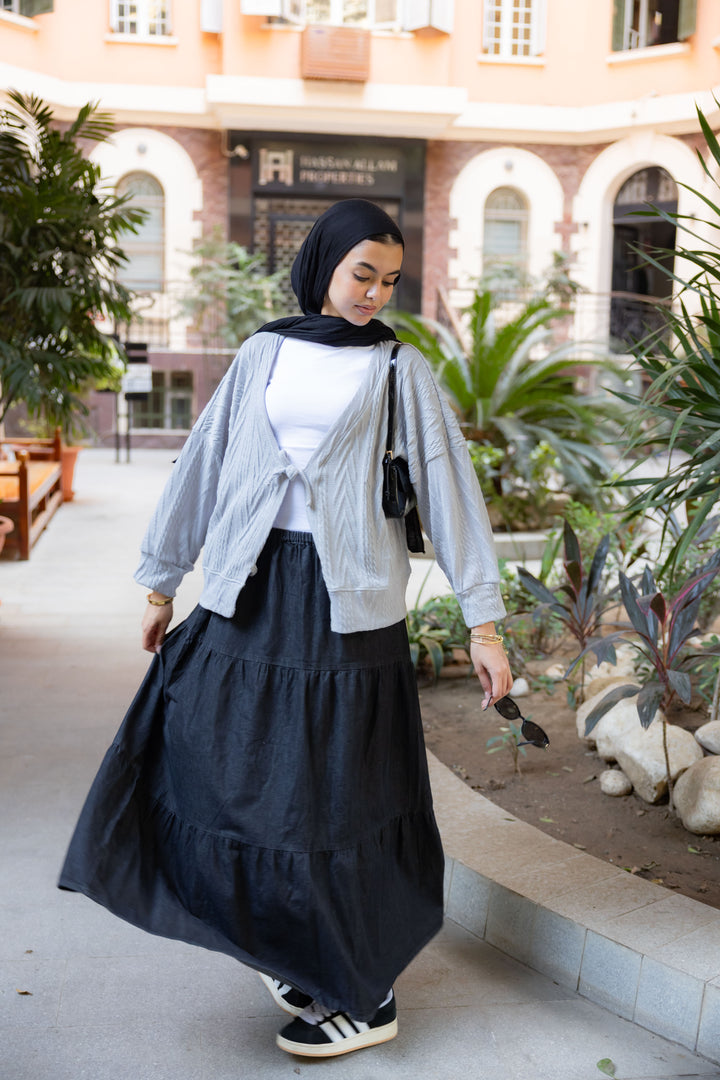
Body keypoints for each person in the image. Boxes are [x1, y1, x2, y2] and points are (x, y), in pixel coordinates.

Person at [59, 199, 513, 1059]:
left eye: (389, 279)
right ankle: (289, 946)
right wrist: (161, 582)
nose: (375, 293)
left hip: (349, 610)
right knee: (207, 756)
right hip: (250, 588)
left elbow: (451, 495)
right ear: (323, 266)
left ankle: (365, 993)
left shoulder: (397, 371)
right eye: (361, 274)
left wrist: (485, 625)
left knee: (340, 798)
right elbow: (206, 458)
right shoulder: (265, 351)